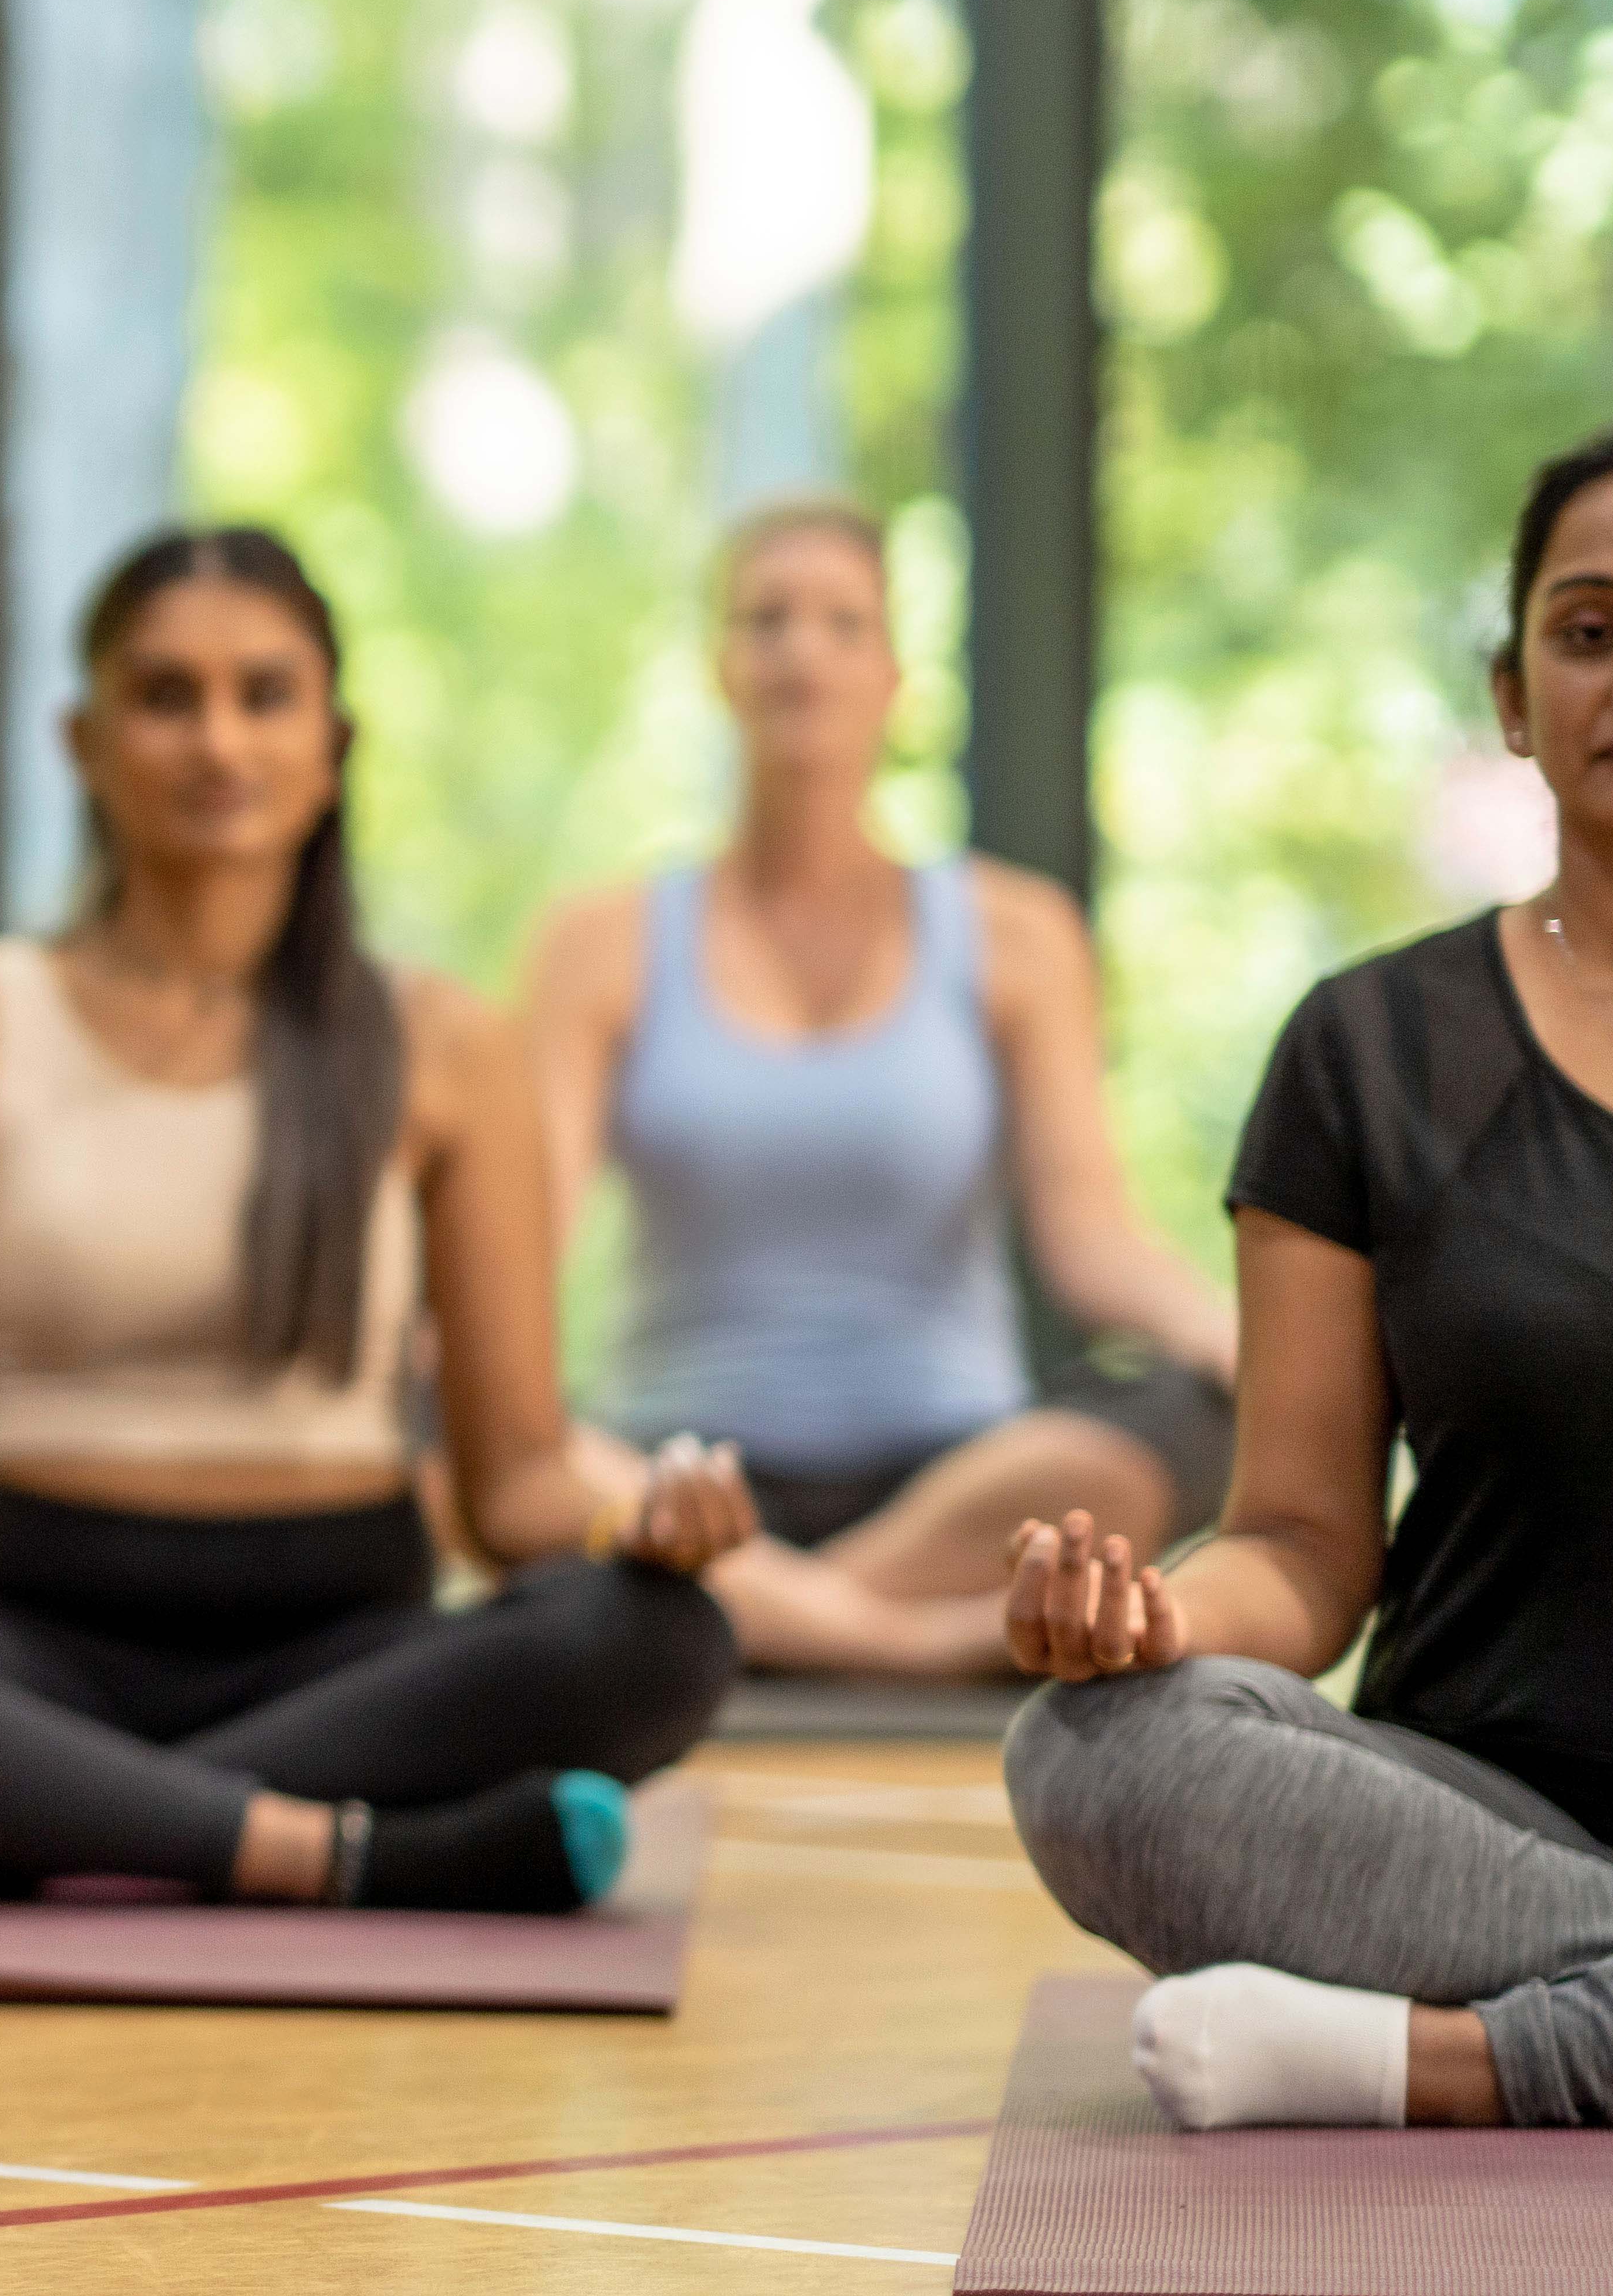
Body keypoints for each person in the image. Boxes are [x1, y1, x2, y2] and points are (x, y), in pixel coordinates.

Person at [1004, 414, 1613, 2131]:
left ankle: (1487, 2060)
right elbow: (1303, 1544)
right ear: (1516, 697)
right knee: (1091, 1755)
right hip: (1481, 1833)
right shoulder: (1366, 1050)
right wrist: (1159, 1619)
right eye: (1590, 631)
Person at [0, 528, 751, 1918]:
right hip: (23, 1641)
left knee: (662, 1637)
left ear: (334, 744)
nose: (218, 740)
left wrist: (640, 1523)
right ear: (85, 740)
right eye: (166, 696)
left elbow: (515, 1487)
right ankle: (334, 1851)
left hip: (347, 1651)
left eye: (266, 694)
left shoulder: (441, 1043)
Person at [520, 501, 1237, 1677]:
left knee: (1173, 1424)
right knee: (467, 1435)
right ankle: (908, 1644)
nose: (802, 650)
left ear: (894, 675)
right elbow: (519, 1250)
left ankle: (744, 1622)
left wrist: (1248, 1347)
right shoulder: (597, 943)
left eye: (842, 622)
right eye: (766, 620)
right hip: (681, 1486)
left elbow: (1092, 1241)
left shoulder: (1017, 934)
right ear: (718, 666)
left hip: (958, 1480)